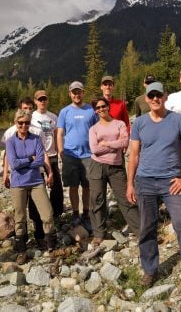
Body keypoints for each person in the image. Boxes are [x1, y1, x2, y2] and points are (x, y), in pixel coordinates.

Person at [127, 82, 181, 290]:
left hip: (172, 181)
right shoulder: (139, 123)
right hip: (144, 181)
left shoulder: (178, 120)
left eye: (158, 95)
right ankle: (150, 270)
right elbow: (134, 155)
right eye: (151, 95)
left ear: (165, 97)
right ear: (146, 98)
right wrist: (130, 184)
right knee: (147, 227)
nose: (155, 99)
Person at [87, 97, 140, 245]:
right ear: (95, 111)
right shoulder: (93, 129)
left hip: (116, 167)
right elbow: (94, 149)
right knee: (97, 200)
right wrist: (114, 145)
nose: (101, 109)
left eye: (103, 106)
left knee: (126, 199)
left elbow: (124, 142)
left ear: (108, 107)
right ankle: (99, 233)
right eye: (97, 108)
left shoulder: (120, 124)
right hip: (97, 166)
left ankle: (141, 231)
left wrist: (107, 143)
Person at [6, 109, 57, 264]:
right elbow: (13, 164)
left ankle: (51, 246)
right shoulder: (10, 141)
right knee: (20, 217)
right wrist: (30, 158)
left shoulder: (36, 139)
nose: (23, 125)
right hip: (18, 183)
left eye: (26, 123)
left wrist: (25, 162)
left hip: (36, 181)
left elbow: (40, 160)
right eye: (20, 123)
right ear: (15, 123)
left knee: (47, 214)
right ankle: (21, 249)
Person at [57, 81, 98, 230]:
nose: (76, 94)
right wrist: (61, 151)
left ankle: (86, 214)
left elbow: (97, 129)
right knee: (73, 186)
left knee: (87, 186)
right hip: (70, 154)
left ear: (83, 93)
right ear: (70, 94)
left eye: (79, 91)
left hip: (88, 154)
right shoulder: (64, 111)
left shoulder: (91, 110)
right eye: (74, 92)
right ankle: (75, 214)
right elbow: (60, 133)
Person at [32, 90, 64, 225]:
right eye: (40, 99)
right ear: (35, 101)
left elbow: (57, 135)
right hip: (37, 157)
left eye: (44, 99)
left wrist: (59, 151)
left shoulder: (53, 117)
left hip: (52, 156)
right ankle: (38, 215)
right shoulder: (32, 117)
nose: (42, 101)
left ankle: (56, 213)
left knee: (56, 187)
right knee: (39, 187)